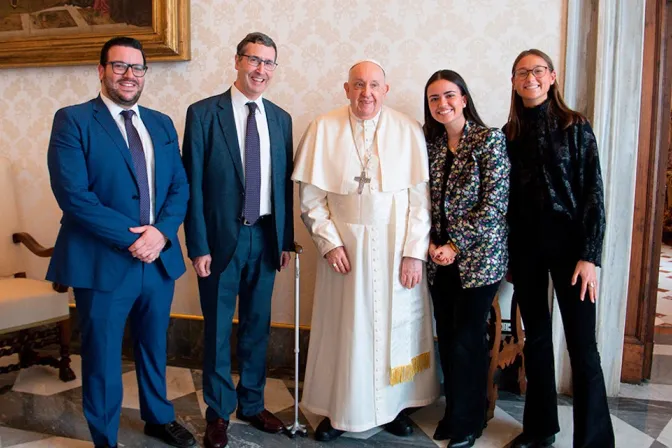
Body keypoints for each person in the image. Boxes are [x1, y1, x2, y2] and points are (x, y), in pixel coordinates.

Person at [46, 37, 195, 448]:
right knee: (103, 356)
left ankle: (158, 417)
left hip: (158, 259)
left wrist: (161, 233)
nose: (129, 75)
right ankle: (105, 437)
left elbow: (179, 187)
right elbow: (74, 195)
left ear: (145, 74)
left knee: (153, 346)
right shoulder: (73, 120)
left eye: (137, 68)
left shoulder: (162, 123)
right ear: (101, 70)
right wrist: (134, 240)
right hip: (102, 261)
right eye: (119, 66)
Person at [293, 59, 439, 442]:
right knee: (345, 331)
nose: (366, 93)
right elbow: (310, 200)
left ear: (385, 90)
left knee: (396, 328)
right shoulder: (323, 128)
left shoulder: (408, 131)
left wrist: (413, 253)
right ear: (346, 88)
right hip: (346, 255)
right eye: (358, 85)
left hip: (395, 251)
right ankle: (337, 410)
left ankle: (393, 409)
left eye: (374, 85)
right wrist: (330, 244)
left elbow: (420, 203)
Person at [182, 32, 294, 448]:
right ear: (237, 61)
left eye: (269, 62)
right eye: (254, 60)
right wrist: (198, 246)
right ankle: (218, 412)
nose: (261, 70)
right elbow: (191, 185)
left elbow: (284, 185)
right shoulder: (203, 114)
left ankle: (251, 402)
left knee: (257, 328)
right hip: (219, 243)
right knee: (216, 331)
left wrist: (286, 240)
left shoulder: (281, 119)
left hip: (265, 239)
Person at [504, 49, 615, 448]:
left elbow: (594, 196)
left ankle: (595, 441)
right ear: (514, 82)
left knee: (582, 346)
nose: (529, 78)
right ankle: (539, 429)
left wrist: (590, 256)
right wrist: (508, 258)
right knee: (536, 341)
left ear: (551, 77)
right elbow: (507, 203)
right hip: (526, 249)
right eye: (522, 72)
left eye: (537, 71)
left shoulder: (575, 126)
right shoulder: (509, 134)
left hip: (571, 248)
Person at [423, 70, 510, 448]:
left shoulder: (488, 139)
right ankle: (454, 411)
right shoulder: (432, 145)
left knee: (468, 339)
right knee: (448, 336)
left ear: (463, 98)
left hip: (480, 259)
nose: (442, 104)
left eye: (449, 96)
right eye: (434, 99)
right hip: (438, 260)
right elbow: (422, 201)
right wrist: (427, 243)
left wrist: (455, 245)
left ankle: (471, 420)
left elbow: (494, 205)